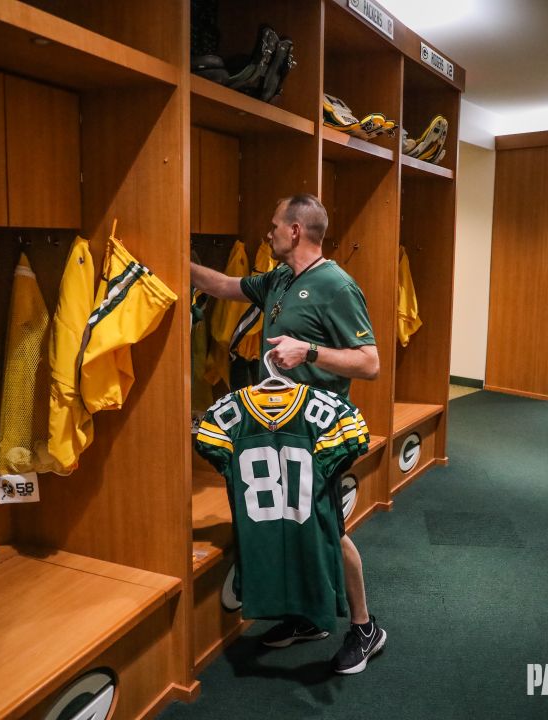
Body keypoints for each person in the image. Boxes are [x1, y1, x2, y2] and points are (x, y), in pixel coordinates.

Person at [190, 193, 387, 675]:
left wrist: (310, 352)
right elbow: (224, 285)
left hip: (321, 429)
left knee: (324, 526)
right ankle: (308, 617)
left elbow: (370, 363)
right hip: (277, 425)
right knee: (291, 518)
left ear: (296, 230)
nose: (269, 232)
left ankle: (365, 628)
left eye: (275, 226)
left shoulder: (337, 286)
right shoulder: (278, 279)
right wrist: (177, 260)